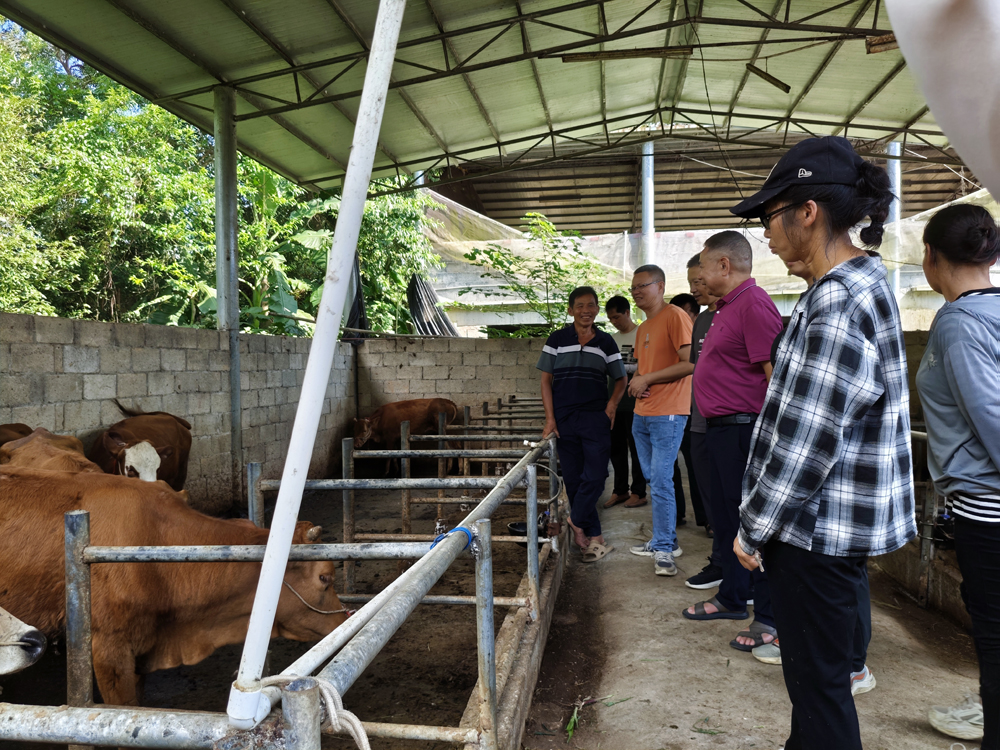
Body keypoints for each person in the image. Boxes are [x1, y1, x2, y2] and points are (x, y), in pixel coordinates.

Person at [731, 135, 916, 750]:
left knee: (820, 692)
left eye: (770, 218)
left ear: (807, 210)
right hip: (831, 528)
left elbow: (806, 441)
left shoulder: (836, 303)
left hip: (814, 532)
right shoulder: (860, 285)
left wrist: (752, 527)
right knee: (818, 688)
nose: (768, 235)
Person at [916, 203, 1000, 749]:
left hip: (988, 510)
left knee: (992, 635)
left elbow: (991, 418)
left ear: (931, 257)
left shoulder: (957, 323)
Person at [682, 230, 782, 658]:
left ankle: (770, 615)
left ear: (724, 265)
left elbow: (774, 374)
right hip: (722, 428)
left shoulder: (755, 305)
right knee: (726, 518)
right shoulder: (726, 308)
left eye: (703, 266)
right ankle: (731, 598)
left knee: (754, 522)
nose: (699, 276)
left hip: (745, 427)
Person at [538, 286, 627, 563]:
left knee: (598, 475)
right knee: (575, 480)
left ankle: (575, 519)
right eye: (580, 306)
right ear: (570, 309)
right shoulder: (557, 339)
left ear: (597, 309)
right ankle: (593, 537)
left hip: (595, 417)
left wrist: (611, 406)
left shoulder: (606, 342)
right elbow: (545, 381)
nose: (586, 311)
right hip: (564, 418)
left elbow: (621, 379)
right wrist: (550, 419)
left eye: (591, 305)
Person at [626, 265, 694, 576]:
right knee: (653, 479)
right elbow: (644, 369)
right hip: (643, 413)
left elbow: (690, 363)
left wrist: (647, 377)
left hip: (668, 413)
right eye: (633, 288)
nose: (637, 292)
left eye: (643, 285)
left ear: (661, 285)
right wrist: (637, 380)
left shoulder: (676, 315)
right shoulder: (643, 328)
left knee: (662, 479)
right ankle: (662, 539)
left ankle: (666, 548)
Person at [683, 253, 725, 591]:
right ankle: (721, 560)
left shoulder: (737, 313)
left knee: (731, 499)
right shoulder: (700, 321)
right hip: (699, 420)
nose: (695, 288)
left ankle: (739, 569)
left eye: (699, 280)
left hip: (730, 422)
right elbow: (698, 369)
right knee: (711, 497)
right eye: (691, 283)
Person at [603, 295, 648, 508]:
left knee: (637, 448)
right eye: (611, 318)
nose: (614, 321)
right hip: (615, 402)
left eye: (617, 317)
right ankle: (620, 490)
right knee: (616, 447)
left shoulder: (643, 334)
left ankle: (638, 492)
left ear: (628, 312)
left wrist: (623, 370)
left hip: (637, 402)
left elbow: (647, 366)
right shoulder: (610, 339)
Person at [668, 293, 704, 528]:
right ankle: (676, 514)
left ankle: (707, 519)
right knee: (669, 466)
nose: (679, 319)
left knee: (697, 466)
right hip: (670, 408)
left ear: (694, 314)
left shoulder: (703, 335)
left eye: (684, 314)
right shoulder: (669, 336)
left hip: (694, 410)